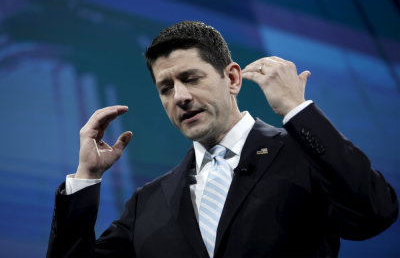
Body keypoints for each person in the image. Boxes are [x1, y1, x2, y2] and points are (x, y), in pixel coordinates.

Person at [47, 21, 398, 257]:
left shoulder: (302, 154)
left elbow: (374, 213)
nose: (179, 96)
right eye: (165, 88)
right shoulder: (148, 202)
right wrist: (86, 179)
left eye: (191, 78)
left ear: (232, 78)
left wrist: (296, 110)